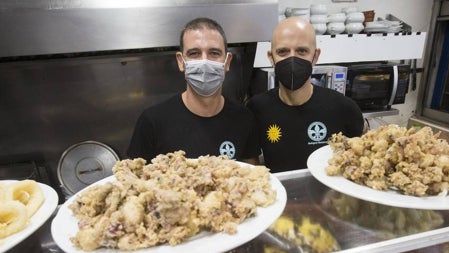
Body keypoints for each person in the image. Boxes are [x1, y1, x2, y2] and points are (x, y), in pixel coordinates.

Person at [127, 17, 259, 164]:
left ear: (227, 62)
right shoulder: (152, 121)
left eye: (214, 53)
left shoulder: (244, 119)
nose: (204, 62)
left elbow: (252, 178)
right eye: (194, 53)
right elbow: (133, 180)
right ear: (180, 61)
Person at [247, 16, 365, 173]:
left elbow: (363, 162)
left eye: (301, 51)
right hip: (280, 196)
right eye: (283, 51)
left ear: (315, 56)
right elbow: (253, 169)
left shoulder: (344, 108)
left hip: (330, 197)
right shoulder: (256, 109)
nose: (292, 58)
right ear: (271, 58)